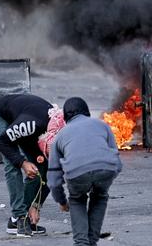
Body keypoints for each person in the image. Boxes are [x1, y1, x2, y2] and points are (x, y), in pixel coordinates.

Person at [48, 97, 123, 246]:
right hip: (106, 169)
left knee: (77, 199)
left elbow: (53, 176)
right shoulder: (102, 125)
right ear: (87, 112)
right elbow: (114, 153)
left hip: (76, 173)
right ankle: (92, 241)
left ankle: (82, 242)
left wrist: (61, 200)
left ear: (66, 117)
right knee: (100, 196)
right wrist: (113, 172)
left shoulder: (60, 136)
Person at [0, 94, 52, 237]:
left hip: (26, 120)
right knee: (12, 165)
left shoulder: (58, 133)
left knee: (41, 167)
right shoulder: (31, 125)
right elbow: (1, 142)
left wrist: (36, 205)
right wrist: (22, 163)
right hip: (0, 116)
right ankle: (19, 218)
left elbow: (56, 175)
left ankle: (27, 214)